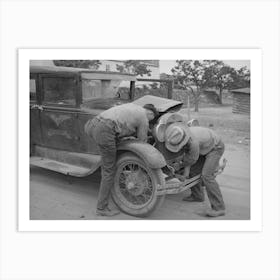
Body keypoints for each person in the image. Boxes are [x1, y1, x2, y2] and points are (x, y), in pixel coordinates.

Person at [85, 103, 158, 216]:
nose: (149, 122)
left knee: (109, 155)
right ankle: (101, 208)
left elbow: (122, 123)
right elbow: (142, 142)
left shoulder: (133, 106)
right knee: (109, 170)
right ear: (150, 113)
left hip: (93, 124)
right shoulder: (144, 117)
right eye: (151, 119)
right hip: (105, 130)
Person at [164, 124, 226, 217]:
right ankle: (198, 196)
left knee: (207, 176)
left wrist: (180, 165)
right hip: (205, 146)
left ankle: (219, 208)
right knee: (193, 171)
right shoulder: (181, 133)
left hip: (216, 148)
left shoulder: (193, 143)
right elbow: (190, 159)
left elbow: (192, 160)